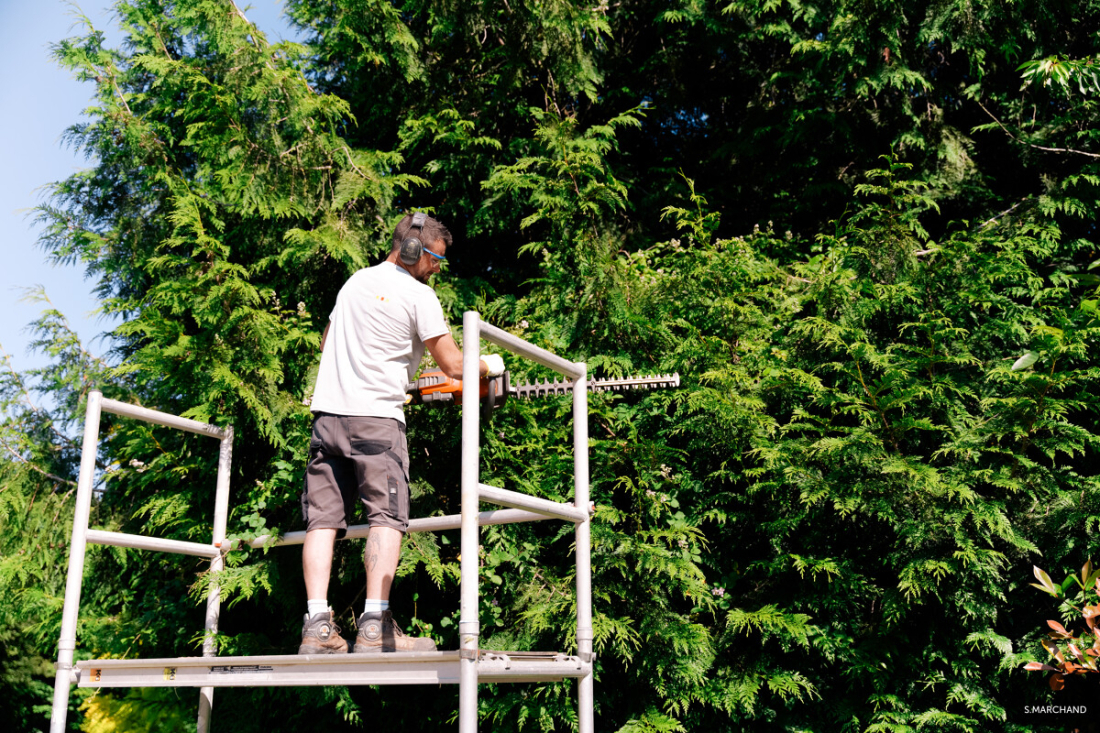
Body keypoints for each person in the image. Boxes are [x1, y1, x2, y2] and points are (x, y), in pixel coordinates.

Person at [297, 212, 504, 654]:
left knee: (322, 521)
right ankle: (374, 627)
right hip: (377, 422)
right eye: (435, 259)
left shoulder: (354, 282)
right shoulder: (418, 294)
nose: (437, 269)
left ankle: (316, 628)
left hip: (327, 419)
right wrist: (490, 365)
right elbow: (454, 365)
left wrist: (393, 374)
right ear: (411, 250)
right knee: (386, 518)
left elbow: (329, 343)